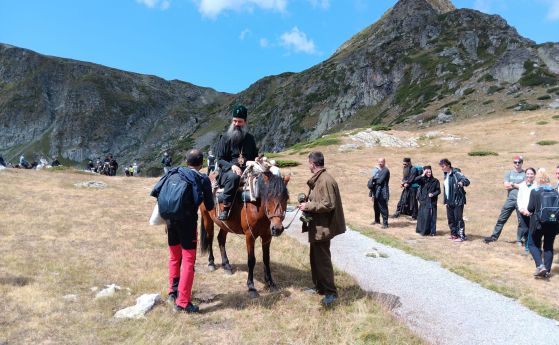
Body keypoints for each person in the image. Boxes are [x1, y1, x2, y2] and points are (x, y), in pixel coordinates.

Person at [151, 149, 214, 313]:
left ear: (187, 161)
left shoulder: (173, 173)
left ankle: (173, 292)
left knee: (174, 257)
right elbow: (209, 206)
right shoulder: (201, 178)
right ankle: (183, 302)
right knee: (188, 260)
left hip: (170, 221)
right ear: (202, 163)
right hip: (187, 223)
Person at [297, 151, 346, 307]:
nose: (308, 165)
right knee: (315, 258)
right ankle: (319, 288)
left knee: (323, 260)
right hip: (317, 226)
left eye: (308, 163)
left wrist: (308, 206)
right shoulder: (320, 179)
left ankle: (331, 293)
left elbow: (328, 204)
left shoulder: (325, 180)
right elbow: (321, 200)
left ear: (312, 163)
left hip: (323, 227)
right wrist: (308, 200)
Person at [215, 104, 259, 220]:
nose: (236, 124)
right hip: (227, 173)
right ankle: (226, 207)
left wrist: (257, 160)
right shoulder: (225, 138)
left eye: (239, 122)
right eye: (234, 121)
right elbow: (220, 159)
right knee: (234, 177)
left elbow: (255, 156)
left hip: (247, 171)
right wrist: (232, 166)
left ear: (245, 122)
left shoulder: (250, 138)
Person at [484, 156, 526, 244]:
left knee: (521, 221)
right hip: (510, 200)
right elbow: (506, 186)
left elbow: (524, 186)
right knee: (501, 219)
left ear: (522, 163)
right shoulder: (509, 173)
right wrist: (517, 185)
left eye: (519, 162)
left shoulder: (525, 173)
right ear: (513, 163)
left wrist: (513, 184)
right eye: (515, 162)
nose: (517, 164)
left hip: (521, 201)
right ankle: (494, 237)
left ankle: (520, 239)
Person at [526, 169, 559, 278]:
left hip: (538, 223)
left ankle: (540, 266)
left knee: (532, 244)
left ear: (537, 179)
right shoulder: (555, 192)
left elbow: (530, 208)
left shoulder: (535, 191)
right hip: (553, 223)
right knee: (548, 246)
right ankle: (547, 272)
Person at [439, 158, 470, 242]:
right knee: (451, 219)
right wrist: (445, 201)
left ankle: (462, 236)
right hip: (449, 201)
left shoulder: (456, 173)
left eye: (443, 166)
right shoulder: (446, 174)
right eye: (441, 166)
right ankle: (454, 234)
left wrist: (461, 183)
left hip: (457, 200)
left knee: (458, 219)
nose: (441, 168)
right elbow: (446, 188)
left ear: (448, 165)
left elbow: (466, 180)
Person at [413, 166, 441, 236]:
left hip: (431, 201)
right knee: (422, 216)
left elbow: (438, 191)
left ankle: (432, 232)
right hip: (423, 201)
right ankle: (421, 230)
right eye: (427, 172)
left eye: (430, 172)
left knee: (432, 217)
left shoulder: (435, 181)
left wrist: (433, 194)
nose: (429, 173)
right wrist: (422, 175)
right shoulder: (422, 180)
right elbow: (414, 180)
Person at [517, 167, 537, 249]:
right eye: (528, 173)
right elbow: (519, 198)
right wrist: (521, 209)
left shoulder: (537, 186)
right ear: (525, 175)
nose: (529, 175)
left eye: (531, 174)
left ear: (534, 175)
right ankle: (526, 243)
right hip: (523, 211)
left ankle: (528, 246)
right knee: (525, 229)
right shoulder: (522, 185)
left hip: (533, 212)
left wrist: (532, 211)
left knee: (532, 230)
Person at [370, 157, 390, 228]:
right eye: (379, 162)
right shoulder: (378, 171)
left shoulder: (386, 170)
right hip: (376, 191)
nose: (380, 163)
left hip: (383, 191)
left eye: (381, 162)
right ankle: (377, 220)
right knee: (376, 206)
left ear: (384, 162)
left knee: (383, 207)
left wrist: (374, 180)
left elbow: (379, 181)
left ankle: (385, 223)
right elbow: (373, 178)